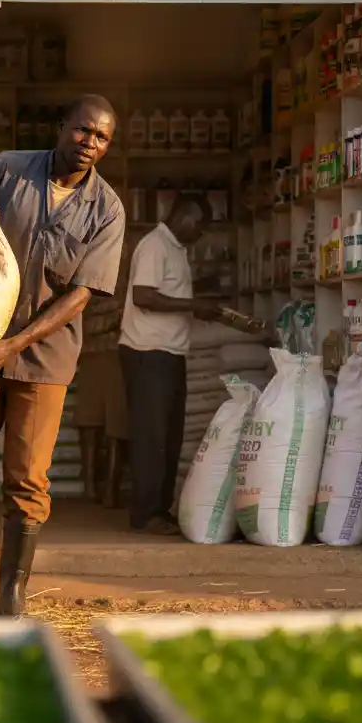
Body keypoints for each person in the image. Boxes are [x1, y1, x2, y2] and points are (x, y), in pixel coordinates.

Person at [0, 95, 125, 616]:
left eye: (102, 137)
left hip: (44, 357)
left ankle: (12, 590)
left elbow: (82, 294)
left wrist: (16, 344)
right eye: (83, 131)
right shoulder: (8, 169)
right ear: (61, 127)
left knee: (27, 478)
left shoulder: (106, 208)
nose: (89, 143)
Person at [118, 194, 223, 536]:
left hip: (169, 353)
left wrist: (200, 294)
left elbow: (166, 291)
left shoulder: (175, 249)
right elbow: (143, 296)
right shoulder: (154, 246)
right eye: (202, 228)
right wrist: (194, 305)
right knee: (152, 437)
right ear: (188, 218)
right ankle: (145, 514)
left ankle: (159, 510)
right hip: (148, 353)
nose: (201, 235)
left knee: (169, 436)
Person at [73, 253, 130, 509]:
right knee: (89, 423)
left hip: (118, 354)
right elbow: (77, 315)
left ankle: (110, 490)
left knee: (117, 425)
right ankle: (90, 487)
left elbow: (129, 311)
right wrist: (114, 315)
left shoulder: (127, 278)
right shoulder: (84, 277)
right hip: (90, 353)